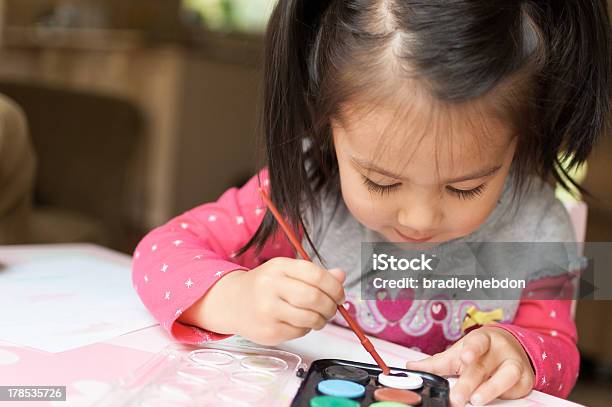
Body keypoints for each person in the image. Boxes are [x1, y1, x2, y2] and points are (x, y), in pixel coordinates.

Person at [132, 1, 611, 405]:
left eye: (465, 188)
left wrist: (518, 353)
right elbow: (159, 252)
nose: (419, 219)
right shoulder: (302, 192)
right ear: (328, 126)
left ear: (519, 142)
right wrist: (233, 298)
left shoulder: (539, 222)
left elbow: (561, 350)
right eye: (381, 182)